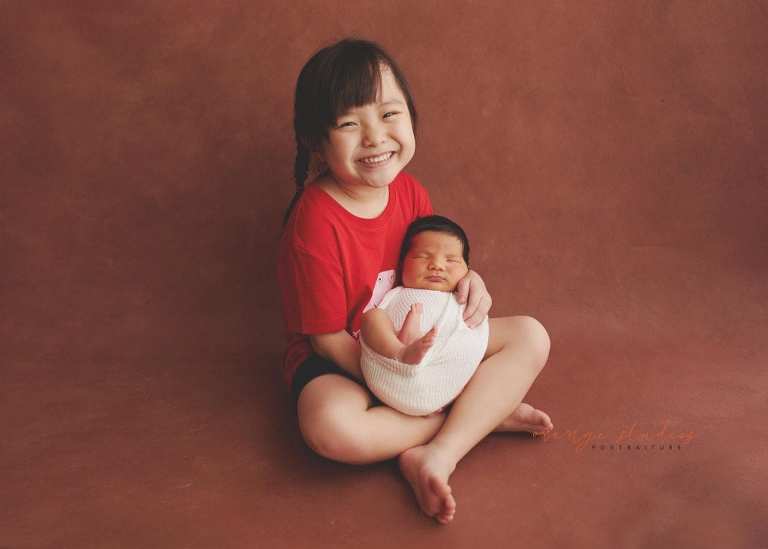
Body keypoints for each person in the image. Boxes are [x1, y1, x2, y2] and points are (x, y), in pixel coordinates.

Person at [277, 38, 554, 525]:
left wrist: (472, 283)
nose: (375, 137)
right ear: (316, 143)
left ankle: (437, 452)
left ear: (411, 115)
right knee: (330, 428)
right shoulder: (314, 223)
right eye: (348, 123)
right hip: (346, 362)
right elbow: (326, 341)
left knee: (531, 334)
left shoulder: (410, 193)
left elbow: (439, 269)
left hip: (424, 353)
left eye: (389, 114)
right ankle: (472, 417)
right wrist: (404, 385)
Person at [359, 215, 490, 417]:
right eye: (422, 257)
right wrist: (398, 350)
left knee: (475, 352)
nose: (437, 265)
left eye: (451, 260)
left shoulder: (462, 298)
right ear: (402, 264)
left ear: (467, 270)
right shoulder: (398, 292)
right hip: (389, 371)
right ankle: (402, 350)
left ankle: (486, 406)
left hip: (441, 378)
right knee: (372, 317)